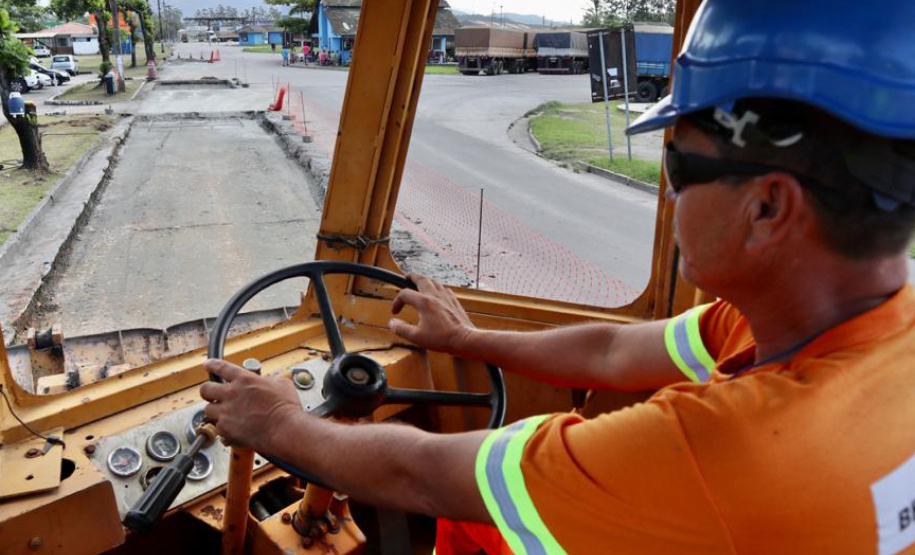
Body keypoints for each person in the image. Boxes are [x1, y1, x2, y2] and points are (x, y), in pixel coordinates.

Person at [200, 1, 915, 553]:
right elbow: (612, 350)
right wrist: (470, 339)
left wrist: (279, 423)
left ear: (766, 207)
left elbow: (421, 472)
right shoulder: (838, 318)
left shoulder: (720, 449)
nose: (666, 195)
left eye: (678, 166)